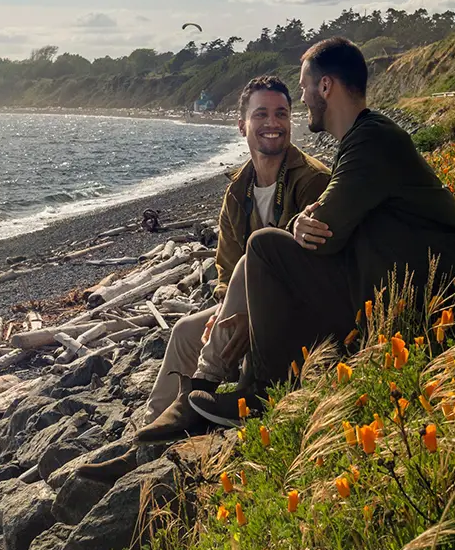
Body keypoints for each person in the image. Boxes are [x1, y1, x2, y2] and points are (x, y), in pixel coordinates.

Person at [188, 37, 455, 428]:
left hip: (426, 296)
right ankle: (236, 385)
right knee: (271, 256)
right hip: (399, 287)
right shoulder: (361, 140)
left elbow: (325, 232)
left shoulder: (371, 139)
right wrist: (306, 222)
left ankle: (260, 392)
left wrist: (300, 223)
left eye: (307, 87)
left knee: (263, 247)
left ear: (325, 86)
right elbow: (329, 219)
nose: (305, 98)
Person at [78, 74, 330, 482]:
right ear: (242, 124)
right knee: (183, 331)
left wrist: (240, 310)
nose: (273, 122)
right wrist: (222, 308)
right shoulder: (238, 190)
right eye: (261, 114)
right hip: (247, 307)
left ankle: (199, 395)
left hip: (296, 313)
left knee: (252, 268)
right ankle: (143, 443)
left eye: (281, 113)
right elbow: (227, 269)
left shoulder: (312, 180)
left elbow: (316, 264)